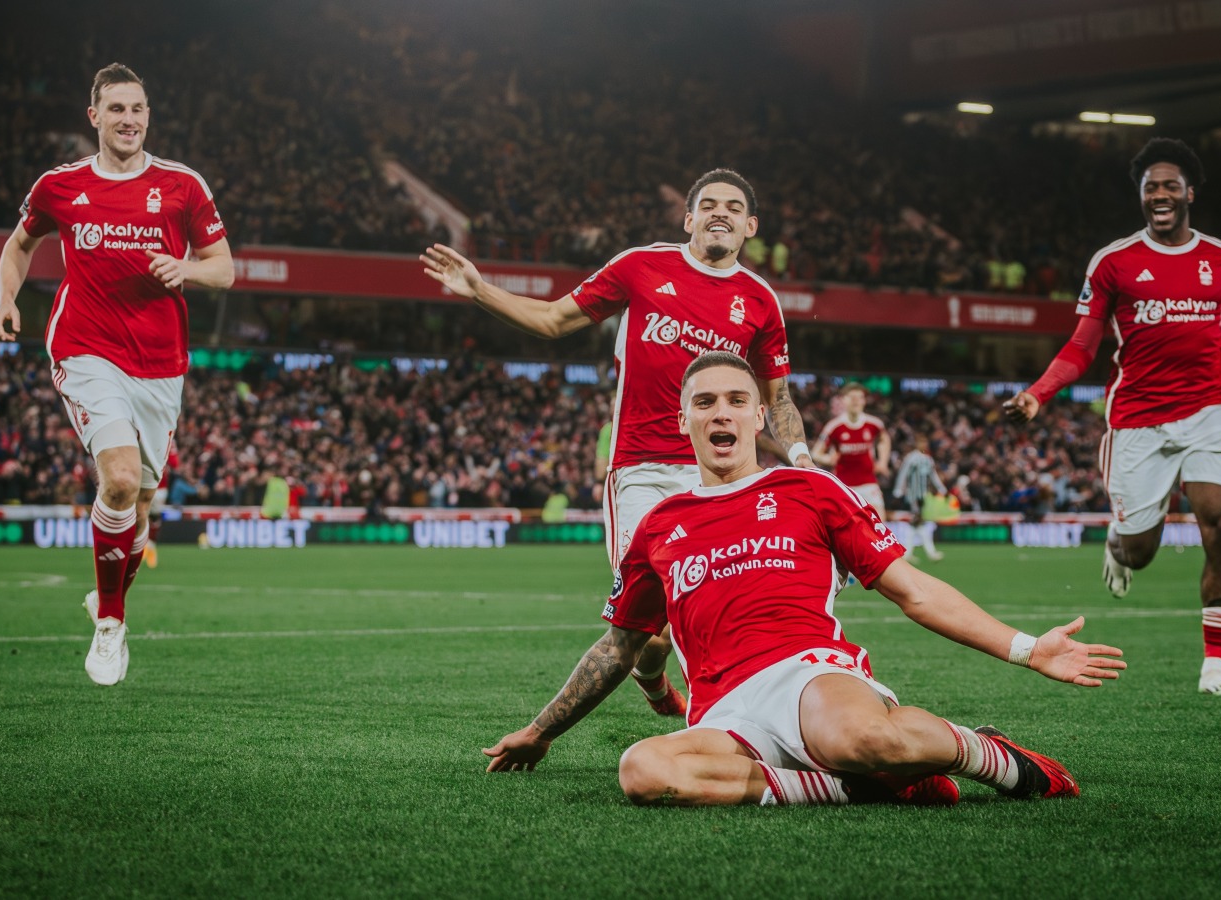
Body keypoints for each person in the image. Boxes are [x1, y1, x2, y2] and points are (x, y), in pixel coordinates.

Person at [483, 352, 1125, 807]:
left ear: (759, 416)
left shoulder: (811, 489)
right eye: (704, 403)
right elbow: (619, 647)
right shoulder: (658, 525)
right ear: (684, 422)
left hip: (807, 674)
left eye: (736, 401)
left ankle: (989, 755)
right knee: (643, 770)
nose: (721, 413)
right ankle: (854, 786)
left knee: (861, 737)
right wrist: (540, 733)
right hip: (725, 712)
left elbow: (913, 590)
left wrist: (1027, 649)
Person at [423, 169, 814, 718]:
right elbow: (553, 319)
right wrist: (480, 289)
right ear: (689, 219)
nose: (720, 213)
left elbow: (778, 399)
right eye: (708, 205)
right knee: (648, 632)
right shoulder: (641, 266)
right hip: (642, 471)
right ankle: (653, 680)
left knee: (715, 609)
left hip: (722, 474)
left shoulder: (760, 300)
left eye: (733, 207)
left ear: (750, 226)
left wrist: (802, 460)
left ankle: (726, 721)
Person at [1002, 138, 1221, 697]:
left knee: (1220, 521)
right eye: (1150, 186)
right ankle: (1120, 542)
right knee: (1141, 551)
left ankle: (1214, 667)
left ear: (1189, 193)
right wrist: (1038, 395)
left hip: (1209, 410)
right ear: (1142, 196)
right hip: (1138, 420)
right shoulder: (1112, 262)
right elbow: (1082, 346)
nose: (1160, 193)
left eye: (1170, 185)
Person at [0, 63, 234, 686]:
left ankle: (107, 594)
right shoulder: (59, 185)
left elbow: (224, 268)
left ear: (149, 116)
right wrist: (6, 299)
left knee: (141, 504)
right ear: (94, 116)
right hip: (85, 348)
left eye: (138, 109)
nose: (129, 119)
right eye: (117, 109)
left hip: (161, 363)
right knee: (118, 480)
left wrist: (186, 269)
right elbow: (19, 244)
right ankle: (111, 622)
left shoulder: (182, 185)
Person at [810, 382, 891, 520]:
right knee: (842, 524)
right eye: (852, 397)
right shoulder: (834, 427)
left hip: (868, 482)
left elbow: (884, 439)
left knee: (880, 522)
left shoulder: (874, 424)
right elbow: (815, 453)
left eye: (859, 397)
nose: (856, 401)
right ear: (843, 400)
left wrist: (883, 462)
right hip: (843, 485)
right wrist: (828, 459)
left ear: (864, 401)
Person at [892, 436, 948, 563]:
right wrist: (898, 492)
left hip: (924, 495)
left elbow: (933, 476)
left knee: (917, 523)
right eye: (921, 442)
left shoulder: (928, 459)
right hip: (913, 495)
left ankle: (909, 552)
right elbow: (903, 474)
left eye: (925, 442)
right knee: (919, 521)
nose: (923, 445)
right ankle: (929, 552)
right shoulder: (911, 458)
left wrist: (942, 489)